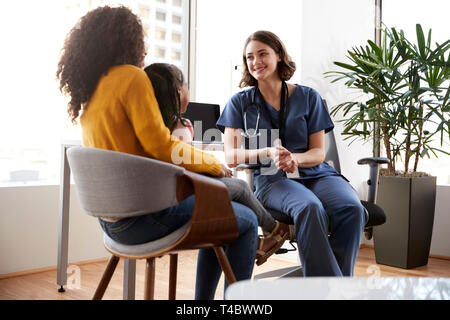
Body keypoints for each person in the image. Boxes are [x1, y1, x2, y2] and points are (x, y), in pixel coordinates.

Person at [56, 6, 258, 299]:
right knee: (245, 221)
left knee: (222, 211)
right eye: (140, 40)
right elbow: (161, 146)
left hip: (113, 224)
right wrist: (212, 166)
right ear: (125, 41)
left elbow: (140, 150)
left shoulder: (91, 90)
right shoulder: (132, 77)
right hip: (145, 219)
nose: (145, 49)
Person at [216, 30, 368, 277]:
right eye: (249, 57)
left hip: (317, 174)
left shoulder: (308, 97)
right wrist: (266, 152)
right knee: (309, 207)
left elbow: (318, 152)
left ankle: (334, 286)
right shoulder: (239, 103)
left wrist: (294, 158)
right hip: (272, 179)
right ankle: (330, 291)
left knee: (352, 208)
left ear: (279, 55)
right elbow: (231, 156)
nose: (256, 62)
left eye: (262, 54)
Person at [144, 63, 294, 266]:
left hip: (158, 197)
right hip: (180, 196)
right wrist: (214, 168)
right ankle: (274, 229)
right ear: (179, 91)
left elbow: (183, 161)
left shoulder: (146, 126)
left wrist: (211, 169)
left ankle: (267, 234)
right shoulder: (182, 126)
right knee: (240, 188)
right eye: (187, 85)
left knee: (232, 197)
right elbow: (184, 165)